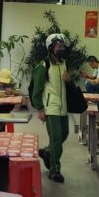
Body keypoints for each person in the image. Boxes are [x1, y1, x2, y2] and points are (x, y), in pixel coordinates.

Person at [30, 32, 72, 183]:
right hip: (51, 107)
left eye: (62, 46)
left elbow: (64, 84)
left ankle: (47, 152)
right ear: (51, 47)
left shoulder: (63, 63)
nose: (61, 48)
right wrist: (40, 109)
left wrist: (69, 80)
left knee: (64, 134)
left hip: (63, 107)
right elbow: (37, 89)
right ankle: (55, 170)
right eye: (58, 46)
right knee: (56, 139)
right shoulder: (44, 65)